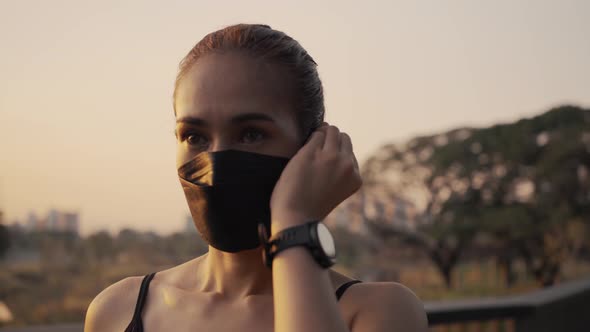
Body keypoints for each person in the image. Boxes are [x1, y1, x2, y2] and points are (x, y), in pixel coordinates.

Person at [84, 23, 428, 332]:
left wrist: (295, 221)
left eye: (251, 134)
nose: (215, 160)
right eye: (194, 136)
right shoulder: (116, 310)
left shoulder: (379, 312)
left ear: (312, 147)